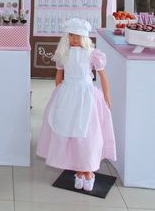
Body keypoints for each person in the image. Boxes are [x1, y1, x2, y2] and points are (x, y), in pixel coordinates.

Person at [36, 18, 116, 191]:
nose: (73, 39)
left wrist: (106, 95)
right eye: (71, 35)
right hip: (68, 93)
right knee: (68, 130)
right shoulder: (64, 53)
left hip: (86, 94)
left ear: (84, 37)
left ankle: (88, 170)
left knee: (87, 132)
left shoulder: (92, 54)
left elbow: (103, 76)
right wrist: (58, 93)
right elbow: (59, 75)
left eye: (77, 36)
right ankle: (78, 169)